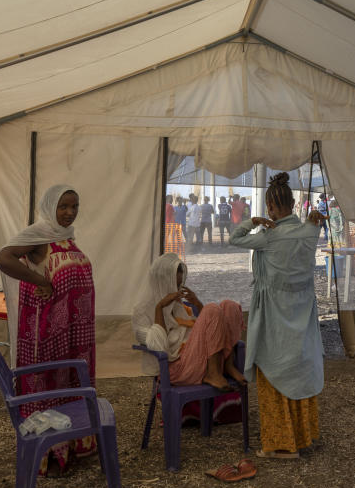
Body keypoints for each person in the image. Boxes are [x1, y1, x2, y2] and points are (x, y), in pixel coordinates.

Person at [0, 184, 97, 476]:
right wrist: (39, 281)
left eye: (74, 206)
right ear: (50, 206)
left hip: (77, 334)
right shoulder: (38, 235)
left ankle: (74, 444)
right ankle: (49, 453)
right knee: (49, 386)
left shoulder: (66, 237)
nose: (69, 212)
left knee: (71, 383)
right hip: (48, 332)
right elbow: (3, 258)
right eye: (63, 206)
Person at [230, 172, 325, 459]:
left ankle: (282, 444)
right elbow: (313, 225)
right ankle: (303, 437)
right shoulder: (310, 231)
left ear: (270, 207)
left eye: (268, 208)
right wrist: (312, 220)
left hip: (273, 313)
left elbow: (235, 238)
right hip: (302, 310)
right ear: (294, 202)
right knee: (298, 366)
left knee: (272, 367)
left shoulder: (268, 237)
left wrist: (253, 222)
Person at [131, 253, 246, 390]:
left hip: (200, 360)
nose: (177, 290)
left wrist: (198, 305)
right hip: (178, 369)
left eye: (179, 285)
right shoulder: (141, 312)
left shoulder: (179, 306)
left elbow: (205, 331)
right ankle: (213, 373)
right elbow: (159, 346)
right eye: (174, 285)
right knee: (212, 309)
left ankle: (227, 365)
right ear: (161, 282)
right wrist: (160, 307)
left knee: (229, 306)